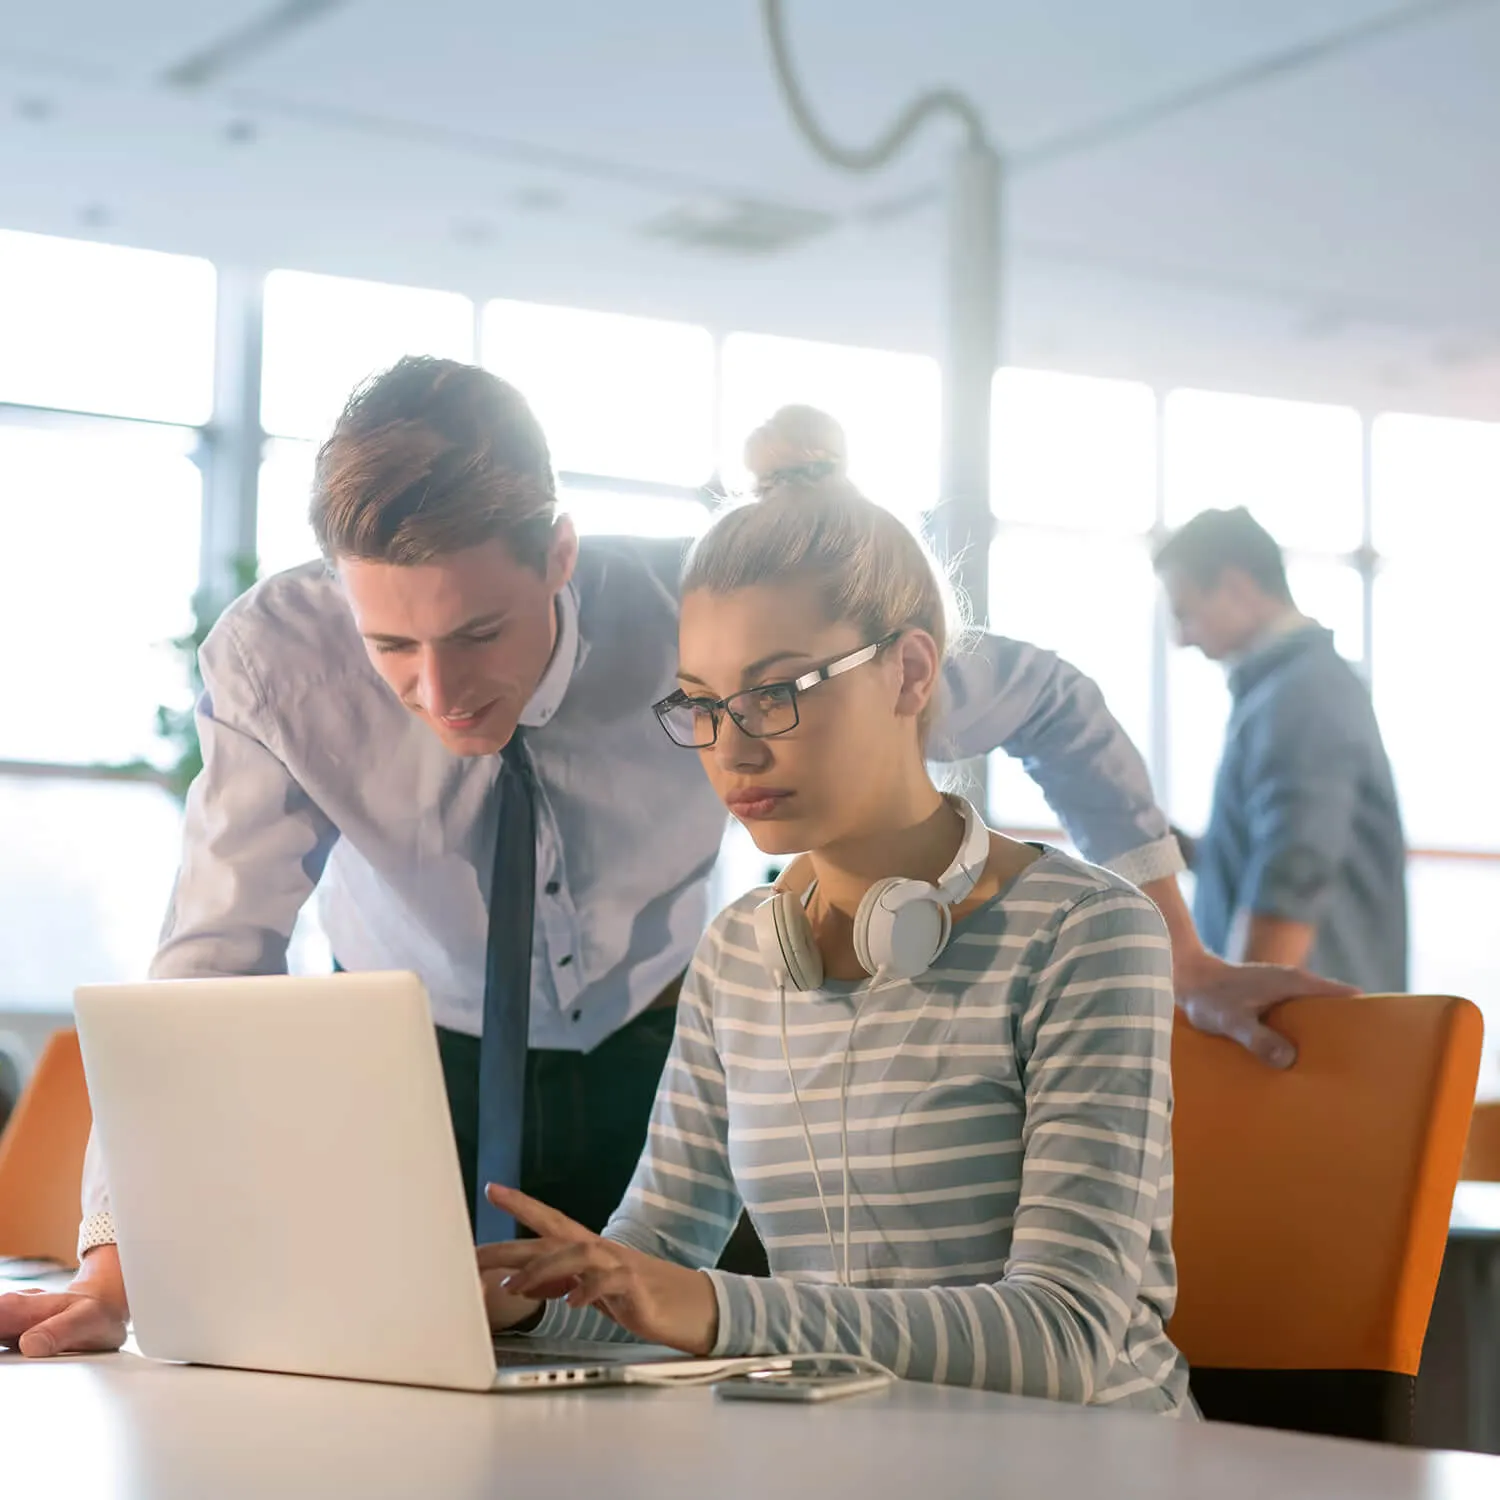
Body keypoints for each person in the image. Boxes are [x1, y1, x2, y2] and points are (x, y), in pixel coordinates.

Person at [0, 361, 1339, 1362]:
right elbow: (210, 962)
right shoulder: (283, 663)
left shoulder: (710, 622)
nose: (437, 691)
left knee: (728, 1349)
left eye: (477, 633)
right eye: (389, 646)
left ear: (561, 560)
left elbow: (1049, 699)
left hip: (660, 1036)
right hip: (427, 1061)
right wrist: (131, 1257)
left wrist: (1175, 941)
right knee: (460, 1375)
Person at [477, 468, 1191, 1413]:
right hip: (848, 1453)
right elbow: (646, 1280)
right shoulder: (740, 949)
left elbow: (1062, 1341)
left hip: (1085, 1462)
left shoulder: (1085, 935)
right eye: (701, 702)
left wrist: (712, 1308)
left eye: (775, 692)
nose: (732, 750)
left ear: (909, 671)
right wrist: (519, 1305)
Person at [1154, 506, 1407, 991]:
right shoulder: (1288, 689)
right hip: (1305, 1024)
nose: (1182, 638)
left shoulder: (1303, 692)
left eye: (1185, 614)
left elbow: (1297, 866)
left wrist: (1237, 1012)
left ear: (1236, 587)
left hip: (1303, 1032)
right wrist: (1194, 853)